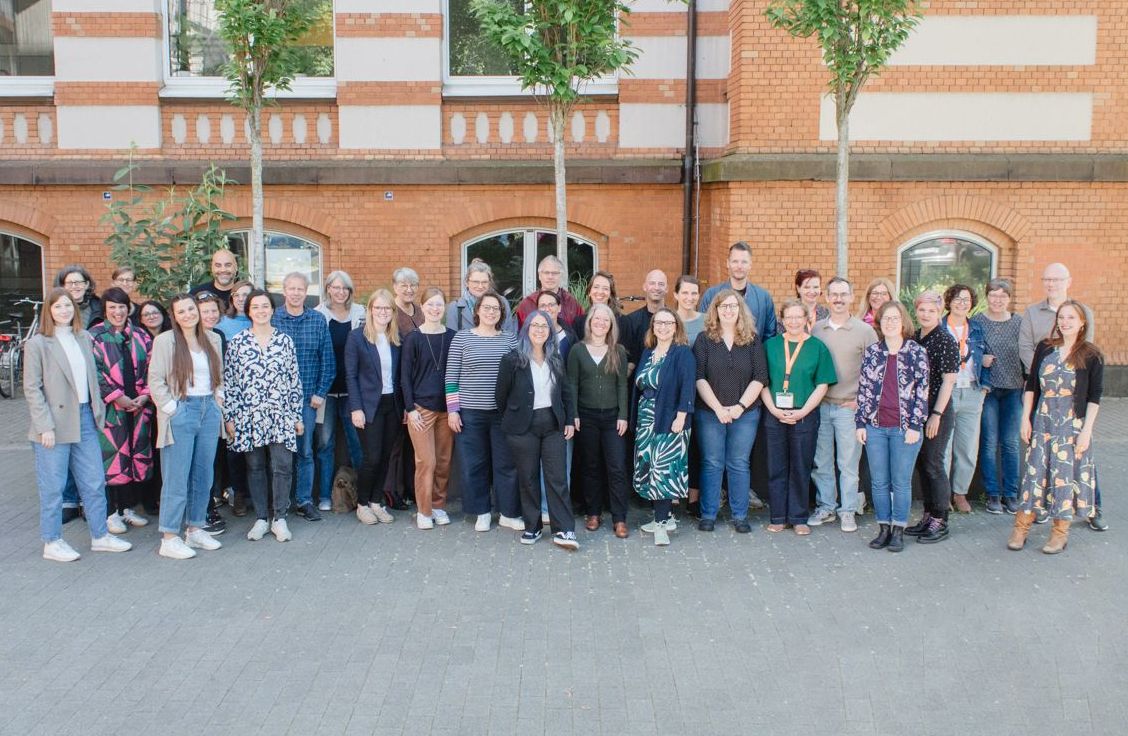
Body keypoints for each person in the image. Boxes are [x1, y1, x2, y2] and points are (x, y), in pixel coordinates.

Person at [24, 288, 133, 561]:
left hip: (85, 417)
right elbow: (32, 388)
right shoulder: (38, 344)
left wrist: (97, 413)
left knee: (94, 481)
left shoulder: (83, 337)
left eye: (68, 306)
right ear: (49, 311)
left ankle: (100, 535)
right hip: (54, 423)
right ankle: (51, 541)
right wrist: (44, 425)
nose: (64, 311)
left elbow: (93, 380)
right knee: (53, 486)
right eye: (58, 306)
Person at [1008, 300, 1103, 555]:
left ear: (1082, 322)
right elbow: (1031, 387)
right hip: (1043, 421)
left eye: (1072, 318)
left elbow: (1094, 398)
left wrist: (1086, 432)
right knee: (1034, 473)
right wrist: (1025, 418)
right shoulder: (1045, 348)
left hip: (1072, 425)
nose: (1065, 322)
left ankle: (1060, 532)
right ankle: (1021, 527)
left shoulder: (1091, 354)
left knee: (1065, 477)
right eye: (1062, 317)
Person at [147, 293, 224, 560]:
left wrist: (218, 400)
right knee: (176, 476)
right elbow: (155, 380)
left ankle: (195, 528)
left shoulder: (212, 338)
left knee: (204, 474)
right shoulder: (165, 341)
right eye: (181, 311)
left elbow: (219, 375)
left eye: (191, 309)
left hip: (208, 411)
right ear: (174, 316)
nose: (188, 314)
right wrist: (172, 410)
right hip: (181, 409)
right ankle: (169, 536)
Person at [224, 290, 304, 543]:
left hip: (280, 414)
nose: (260, 310)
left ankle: (279, 518)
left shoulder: (285, 341)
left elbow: (294, 381)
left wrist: (296, 416)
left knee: (282, 466)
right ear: (248, 311)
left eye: (265, 306)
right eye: (255, 306)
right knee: (255, 466)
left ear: (272, 310)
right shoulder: (238, 343)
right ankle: (261, 517)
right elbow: (230, 383)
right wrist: (231, 418)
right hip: (249, 415)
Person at [496, 310, 578, 550]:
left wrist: (570, 420)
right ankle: (532, 527)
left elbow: (566, 392)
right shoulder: (512, 359)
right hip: (523, 427)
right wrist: (514, 418)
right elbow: (500, 396)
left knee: (557, 478)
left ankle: (564, 530)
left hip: (553, 424)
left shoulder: (555, 358)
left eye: (545, 326)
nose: (540, 330)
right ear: (526, 329)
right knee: (528, 478)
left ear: (550, 332)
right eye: (535, 325)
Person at [444, 291, 523, 532]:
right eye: (486, 308)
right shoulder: (462, 338)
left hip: (502, 414)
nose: (491, 312)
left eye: (496, 309)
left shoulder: (510, 340)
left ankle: (508, 513)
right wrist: (453, 411)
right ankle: (482, 512)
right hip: (469, 413)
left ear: (502, 314)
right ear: (477, 311)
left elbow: (519, 376)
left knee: (506, 464)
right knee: (473, 464)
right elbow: (451, 377)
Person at [855, 301, 929, 553]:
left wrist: (915, 425)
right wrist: (861, 422)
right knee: (878, 482)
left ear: (903, 321)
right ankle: (883, 527)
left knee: (901, 482)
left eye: (895, 318)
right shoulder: (873, 352)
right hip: (875, 427)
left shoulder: (916, 352)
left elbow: (922, 392)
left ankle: (898, 529)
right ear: (879, 322)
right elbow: (864, 390)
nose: (890, 322)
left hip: (904, 428)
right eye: (885, 318)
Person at [692, 289, 768, 533]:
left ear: (740, 310)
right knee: (712, 462)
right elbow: (699, 377)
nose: (728, 310)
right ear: (715, 310)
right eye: (723, 306)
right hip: (709, 412)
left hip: (745, 414)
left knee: (738, 463)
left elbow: (760, 378)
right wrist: (718, 408)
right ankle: (708, 514)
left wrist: (739, 407)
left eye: (733, 306)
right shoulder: (705, 339)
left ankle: (739, 515)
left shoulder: (752, 340)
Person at [761, 300, 836, 535]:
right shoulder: (770, 345)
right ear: (782, 320)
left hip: (805, 415)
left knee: (801, 466)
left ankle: (799, 516)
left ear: (806, 319)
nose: (793, 322)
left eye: (798, 317)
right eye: (788, 317)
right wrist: (773, 409)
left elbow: (822, 384)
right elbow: (762, 381)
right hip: (775, 414)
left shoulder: (818, 347)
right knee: (776, 466)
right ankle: (778, 516)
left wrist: (803, 411)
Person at [809, 277, 877, 532]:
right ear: (827, 298)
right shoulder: (817, 329)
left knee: (848, 463)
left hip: (850, 408)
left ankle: (847, 510)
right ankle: (826, 506)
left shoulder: (864, 331)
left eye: (843, 294)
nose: (838, 299)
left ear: (851, 297)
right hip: (822, 405)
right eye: (834, 294)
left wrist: (862, 401)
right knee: (822, 461)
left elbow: (875, 371)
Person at [89, 287, 154, 533]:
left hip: (138, 407)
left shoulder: (140, 335)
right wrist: (117, 397)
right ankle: (110, 513)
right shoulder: (94, 336)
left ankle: (127, 508)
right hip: (111, 409)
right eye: (112, 308)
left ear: (129, 309)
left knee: (133, 456)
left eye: (122, 307)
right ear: (105, 310)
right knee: (111, 458)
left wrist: (145, 394)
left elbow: (152, 366)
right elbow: (93, 372)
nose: (118, 312)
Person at [272, 272, 335, 521]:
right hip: (277, 401)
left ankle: (304, 500)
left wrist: (320, 393)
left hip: (308, 400)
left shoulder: (317, 320)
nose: (296, 293)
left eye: (301, 289)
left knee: (305, 451)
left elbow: (327, 361)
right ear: (284, 290)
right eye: (292, 289)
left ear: (306, 292)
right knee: (279, 453)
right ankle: (279, 503)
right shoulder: (274, 318)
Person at [567, 304, 630, 538]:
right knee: (591, 466)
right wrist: (573, 413)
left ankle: (620, 517)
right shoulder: (577, 350)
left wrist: (623, 414)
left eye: (606, 320)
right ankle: (593, 512)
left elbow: (622, 384)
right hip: (586, 417)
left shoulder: (618, 351)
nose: (601, 323)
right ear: (590, 321)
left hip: (613, 418)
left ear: (611, 324)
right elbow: (571, 383)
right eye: (597, 319)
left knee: (616, 467)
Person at [634, 308, 695, 546]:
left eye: (668, 323)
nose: (663, 327)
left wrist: (681, 416)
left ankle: (661, 526)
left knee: (664, 471)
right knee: (649, 468)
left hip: (670, 420)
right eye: (659, 323)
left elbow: (688, 387)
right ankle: (666, 517)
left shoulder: (682, 353)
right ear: (652, 326)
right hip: (646, 420)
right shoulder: (648, 353)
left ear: (676, 326)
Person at [905, 291, 959, 544]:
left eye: (931, 311)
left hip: (937, 411)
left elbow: (948, 381)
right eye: (922, 310)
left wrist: (936, 414)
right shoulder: (916, 338)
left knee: (934, 464)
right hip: (917, 411)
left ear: (939, 313)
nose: (926, 315)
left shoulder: (945, 340)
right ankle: (928, 515)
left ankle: (941, 518)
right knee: (922, 464)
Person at [345, 289, 401, 526]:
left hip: (392, 405)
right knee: (372, 458)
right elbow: (351, 375)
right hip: (368, 407)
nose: (382, 312)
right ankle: (363, 504)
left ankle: (377, 502)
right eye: (377, 308)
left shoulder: (396, 340)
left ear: (392, 312)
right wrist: (356, 408)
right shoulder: (357, 337)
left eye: (387, 308)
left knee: (386, 457)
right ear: (369, 310)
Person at [402, 287, 456, 530]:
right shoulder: (413, 338)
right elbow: (404, 377)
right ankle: (424, 511)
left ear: (444, 308)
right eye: (430, 305)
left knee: (444, 461)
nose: (435, 309)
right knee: (427, 461)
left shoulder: (454, 336)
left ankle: (438, 505)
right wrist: (410, 409)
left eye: (439, 305)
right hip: (421, 409)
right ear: (422, 307)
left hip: (447, 409)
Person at [314, 271, 365, 513]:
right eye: (335, 287)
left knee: (357, 443)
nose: (340, 292)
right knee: (325, 444)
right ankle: (325, 496)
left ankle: (363, 495)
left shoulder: (360, 313)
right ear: (328, 289)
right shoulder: (317, 315)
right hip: (325, 393)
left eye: (345, 288)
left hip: (352, 392)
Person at [973, 278, 1024, 514]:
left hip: (1014, 390)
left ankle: (1011, 494)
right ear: (987, 297)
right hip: (988, 390)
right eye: (993, 295)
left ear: (1009, 298)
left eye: (1003, 296)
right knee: (989, 441)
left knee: (1011, 443)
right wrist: (980, 360)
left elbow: (1028, 352)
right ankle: (993, 494)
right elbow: (969, 352)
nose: (997, 300)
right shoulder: (977, 322)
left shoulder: (1019, 323)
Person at [940, 284, 990, 514]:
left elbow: (986, 356)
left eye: (967, 299)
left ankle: (960, 493)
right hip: (946, 392)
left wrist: (985, 385)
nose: (962, 303)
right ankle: (943, 493)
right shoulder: (940, 328)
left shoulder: (977, 328)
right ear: (949, 301)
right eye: (958, 299)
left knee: (967, 447)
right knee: (944, 447)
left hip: (971, 391)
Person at [195, 291, 229, 535]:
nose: (209, 315)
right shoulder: (185, 339)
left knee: (210, 461)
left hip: (215, 408)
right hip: (193, 408)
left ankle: (208, 506)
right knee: (197, 462)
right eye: (204, 311)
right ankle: (200, 512)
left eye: (213, 310)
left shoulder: (218, 336)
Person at [699, 242, 777, 340]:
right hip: (718, 354)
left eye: (744, 262)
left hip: (753, 354)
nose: (739, 266)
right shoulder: (711, 295)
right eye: (735, 261)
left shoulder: (764, 298)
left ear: (750, 265)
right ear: (728, 263)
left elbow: (769, 335)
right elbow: (703, 329)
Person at [446, 258, 517, 333]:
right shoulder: (455, 307)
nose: (480, 286)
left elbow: (509, 334)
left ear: (489, 283)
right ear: (467, 282)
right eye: (476, 282)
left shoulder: (502, 303)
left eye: (484, 282)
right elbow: (451, 340)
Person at [514, 255, 584, 328]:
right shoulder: (526, 304)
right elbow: (519, 334)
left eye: (555, 273)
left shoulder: (572, 303)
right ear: (539, 276)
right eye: (546, 272)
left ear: (561, 276)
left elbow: (580, 332)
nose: (550, 277)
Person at [621, 269, 668, 372]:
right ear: (645, 287)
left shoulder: (674, 321)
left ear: (666, 289)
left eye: (661, 284)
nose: (656, 287)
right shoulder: (631, 321)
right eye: (652, 283)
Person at [573, 270, 620, 339]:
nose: (600, 292)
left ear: (610, 294)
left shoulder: (622, 322)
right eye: (596, 287)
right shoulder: (579, 323)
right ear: (589, 292)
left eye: (605, 288)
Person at [536, 289, 577, 364]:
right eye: (543, 305)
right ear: (537, 309)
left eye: (551, 305)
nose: (547, 309)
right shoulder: (532, 334)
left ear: (559, 308)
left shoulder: (570, 335)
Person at [674, 274, 704, 345]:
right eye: (685, 293)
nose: (690, 298)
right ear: (676, 295)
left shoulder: (708, 321)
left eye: (694, 293)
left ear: (699, 296)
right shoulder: (668, 321)